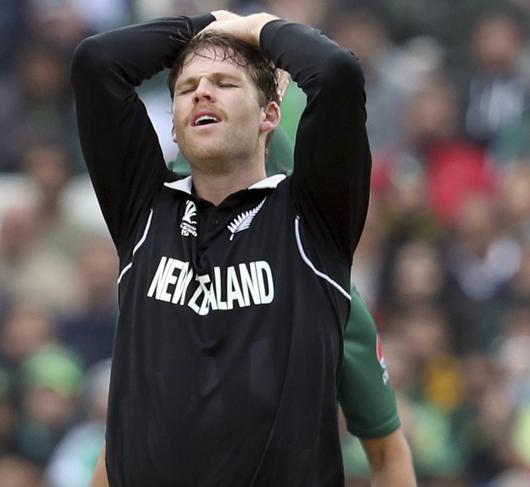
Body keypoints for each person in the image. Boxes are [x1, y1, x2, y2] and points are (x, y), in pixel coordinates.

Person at [72, 9, 371, 486]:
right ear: (173, 127)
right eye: (187, 89)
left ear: (270, 115)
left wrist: (255, 28)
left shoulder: (313, 215)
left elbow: (336, 75)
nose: (202, 93)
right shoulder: (143, 207)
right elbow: (96, 63)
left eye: (225, 84)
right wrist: (206, 22)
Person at [175, 136, 416, 487]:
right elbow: (121, 442)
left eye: (229, 195)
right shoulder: (159, 286)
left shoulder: (329, 293)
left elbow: (387, 452)